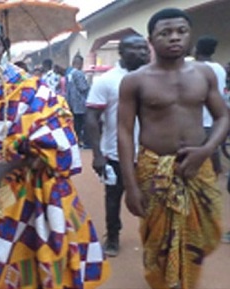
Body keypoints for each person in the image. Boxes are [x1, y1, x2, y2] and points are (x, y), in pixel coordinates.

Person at [0, 14, 109, 289]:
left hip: (28, 191)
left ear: (4, 46)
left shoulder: (28, 85)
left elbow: (59, 131)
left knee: (34, 255)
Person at [117, 8, 229, 289]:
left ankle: (185, 280)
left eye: (181, 31)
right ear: (151, 40)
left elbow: (223, 116)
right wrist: (130, 186)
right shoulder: (135, 80)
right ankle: (166, 283)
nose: (174, 38)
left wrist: (206, 149)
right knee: (157, 240)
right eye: (165, 33)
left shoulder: (204, 74)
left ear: (189, 35)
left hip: (197, 167)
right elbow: (125, 132)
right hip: (154, 169)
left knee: (201, 233)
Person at [86, 34, 150, 257]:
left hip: (150, 154)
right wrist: (97, 154)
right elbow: (91, 118)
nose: (143, 53)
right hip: (115, 154)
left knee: (155, 198)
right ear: (121, 52)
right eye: (136, 49)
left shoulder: (153, 77)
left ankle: (154, 239)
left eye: (145, 48)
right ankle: (113, 236)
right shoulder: (106, 80)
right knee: (113, 198)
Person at [193, 36, 227, 175]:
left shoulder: (198, 68)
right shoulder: (219, 67)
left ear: (198, 50)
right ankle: (216, 171)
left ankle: (209, 174)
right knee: (213, 146)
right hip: (215, 114)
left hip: (201, 116)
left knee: (202, 148)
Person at [66, 54, 90, 147]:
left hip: (72, 102)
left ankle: (75, 140)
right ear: (80, 63)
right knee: (82, 124)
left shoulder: (69, 73)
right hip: (80, 103)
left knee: (75, 124)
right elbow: (83, 87)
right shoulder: (79, 73)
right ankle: (82, 141)